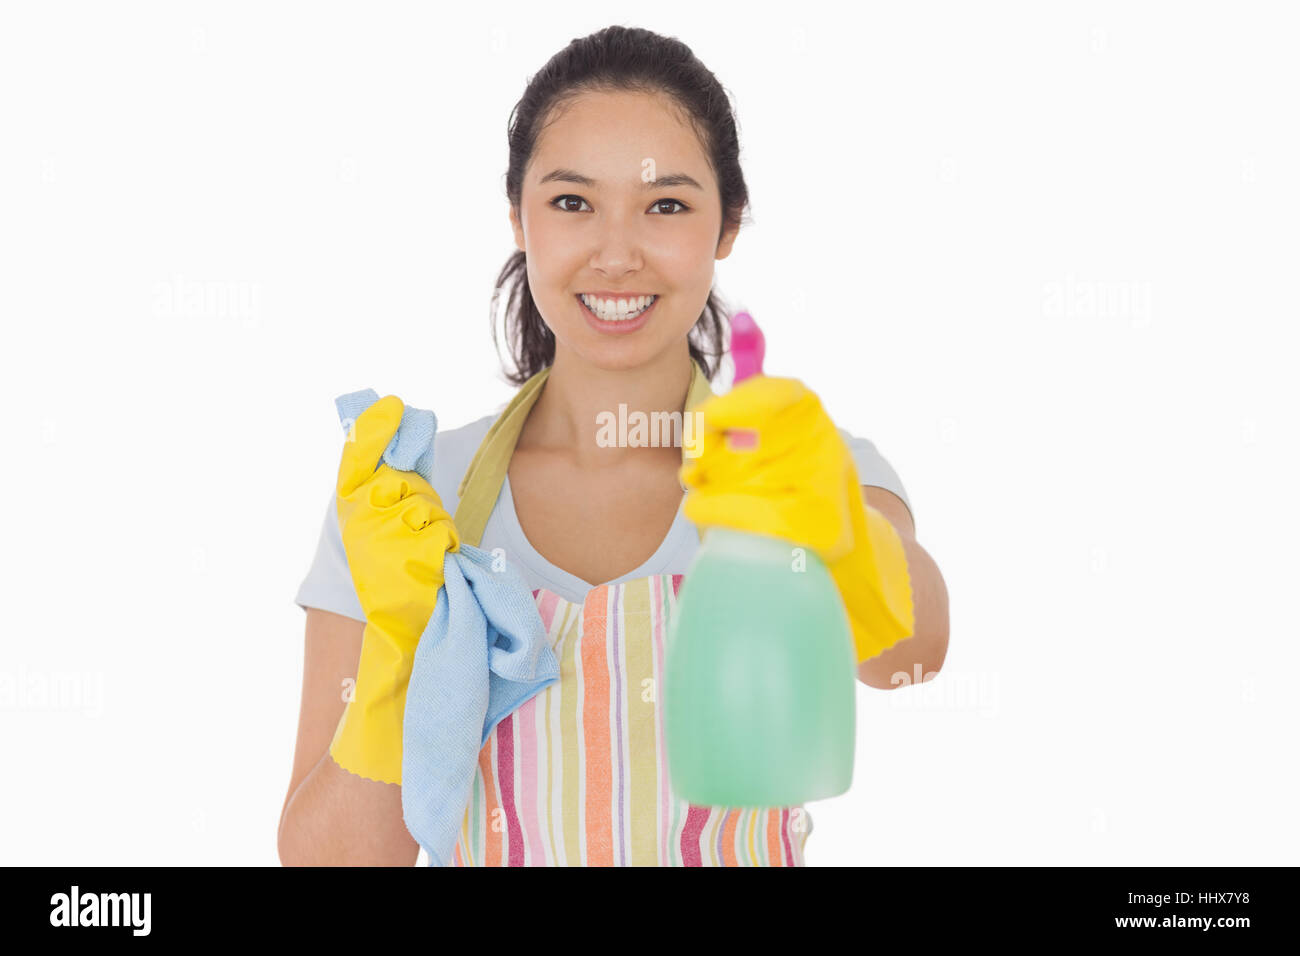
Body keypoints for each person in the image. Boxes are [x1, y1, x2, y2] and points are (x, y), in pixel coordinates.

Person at [279, 24, 948, 867]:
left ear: (728, 224)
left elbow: (913, 659)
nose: (618, 253)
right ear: (518, 218)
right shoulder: (412, 506)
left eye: (666, 204)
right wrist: (399, 651)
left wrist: (839, 527)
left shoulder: (802, 469)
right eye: (571, 203)